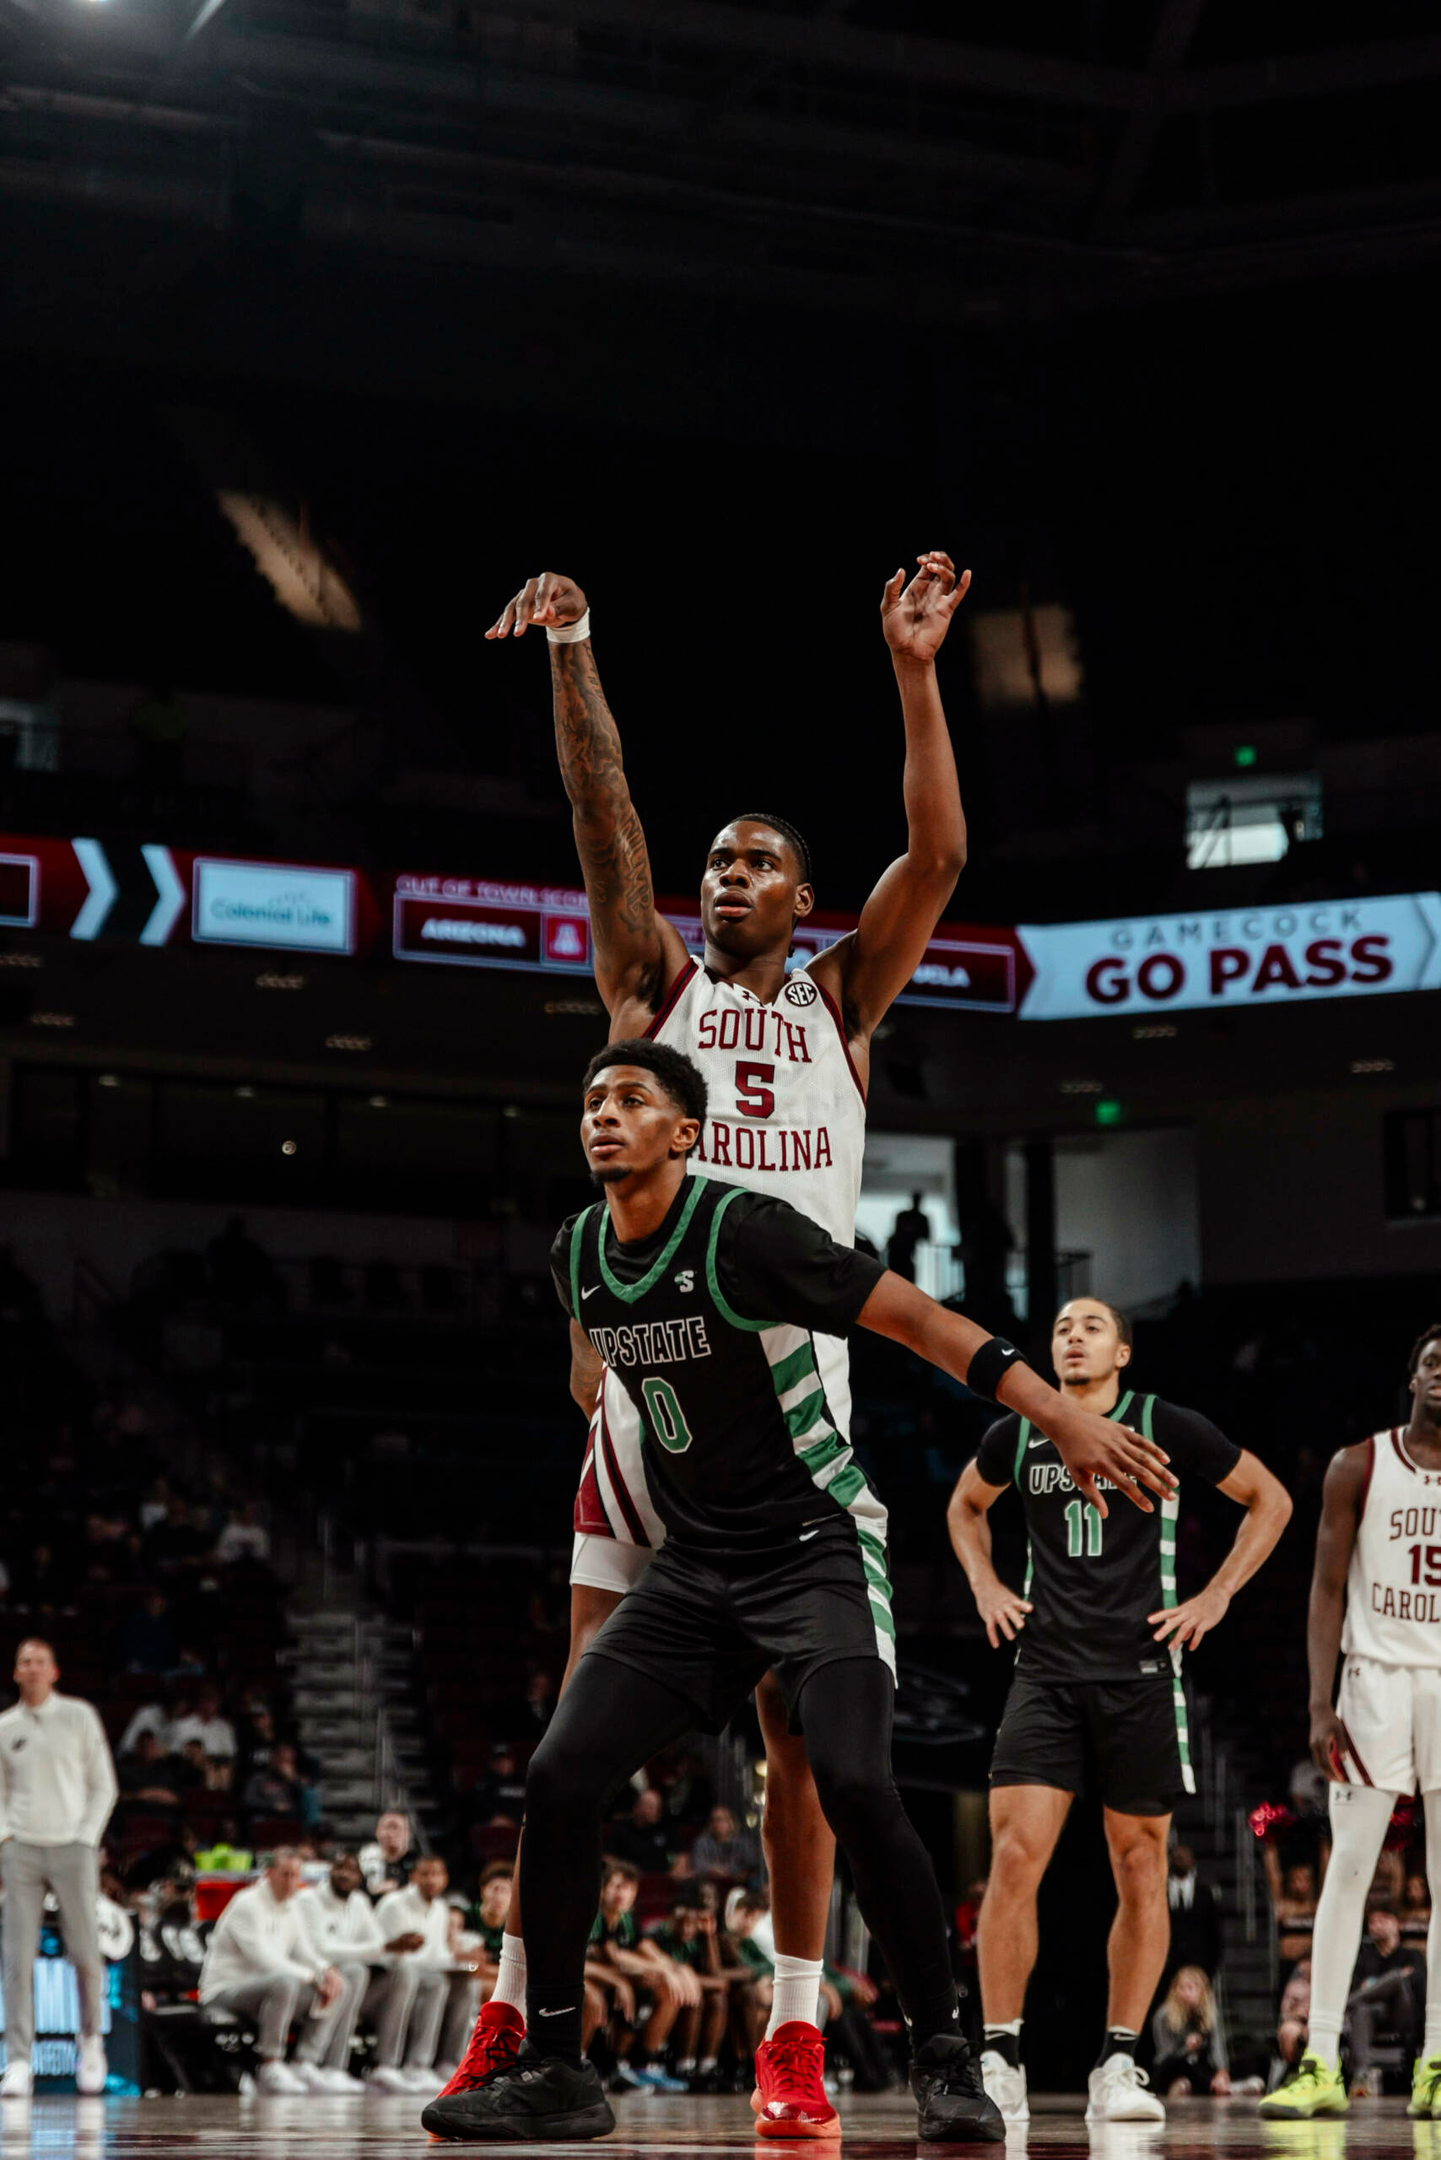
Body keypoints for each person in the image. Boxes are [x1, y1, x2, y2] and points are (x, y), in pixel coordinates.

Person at [448, 548, 976, 2124]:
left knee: (801, 1745)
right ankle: (522, 2018)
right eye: (715, 861)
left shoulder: (844, 1006)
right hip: (646, 1405)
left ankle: (797, 2030)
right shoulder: (647, 992)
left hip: (790, 1406)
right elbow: (600, 815)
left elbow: (937, 854)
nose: (723, 874)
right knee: (574, 1725)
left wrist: (912, 671)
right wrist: (575, 652)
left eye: (755, 861)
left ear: (801, 898)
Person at [421, 1043, 1174, 2142]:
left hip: (814, 1544)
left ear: (686, 1133)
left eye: (631, 1100)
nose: (601, 1115)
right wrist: (598, 1386)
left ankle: (945, 2058)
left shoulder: (744, 1232)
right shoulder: (577, 1249)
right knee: (560, 1772)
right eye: (589, 1100)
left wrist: (1053, 1413)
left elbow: (917, 1318)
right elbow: (590, 1356)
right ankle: (557, 2065)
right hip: (696, 1564)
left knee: (858, 1785)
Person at [947, 1295, 1291, 2125]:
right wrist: (987, 1584)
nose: (1071, 1334)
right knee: (1013, 1855)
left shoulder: (1162, 1423)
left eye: (1091, 1325)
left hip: (1141, 1674)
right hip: (1046, 1670)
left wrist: (1213, 1599)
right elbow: (963, 1508)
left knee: (1140, 1869)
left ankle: (1120, 2061)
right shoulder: (1019, 1427)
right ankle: (999, 2053)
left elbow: (1268, 1499)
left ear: (1123, 1354)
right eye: (1062, 1325)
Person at [1260, 1323, 1441, 2121]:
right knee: (1348, 1869)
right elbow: (1324, 1589)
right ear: (1411, 1373)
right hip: (1371, 1682)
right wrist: (1315, 1699)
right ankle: (1319, 2058)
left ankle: (1436, 2059)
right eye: (1433, 1360)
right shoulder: (1358, 1464)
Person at [0, 1638, 119, 2098]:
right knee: (16, 1956)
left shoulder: (79, 1716)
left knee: (87, 1952)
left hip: (74, 1846)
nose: (31, 1668)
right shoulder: (6, 1727)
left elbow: (103, 1785)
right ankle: (18, 2060)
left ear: (54, 1671)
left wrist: (86, 1837)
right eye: (23, 1661)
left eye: (39, 1661)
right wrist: (6, 1837)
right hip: (22, 1849)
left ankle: (90, 2042)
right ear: (15, 1673)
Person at [197, 1847, 344, 2093]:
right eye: (284, 1875)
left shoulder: (292, 1905)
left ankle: (305, 2063)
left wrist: (326, 1970)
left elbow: (304, 1950)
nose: (290, 1882)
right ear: (269, 1873)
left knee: (340, 1984)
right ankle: (270, 2064)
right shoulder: (246, 1903)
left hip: (269, 1989)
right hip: (224, 1991)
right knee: (285, 1982)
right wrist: (311, 1977)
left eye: (295, 1876)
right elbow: (264, 1959)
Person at [297, 1850, 425, 2092]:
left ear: (360, 1877)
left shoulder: (359, 1902)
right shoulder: (308, 1900)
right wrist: (383, 1947)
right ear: (329, 1871)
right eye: (339, 1868)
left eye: (351, 1870)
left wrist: (397, 1947)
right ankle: (327, 2065)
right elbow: (323, 1949)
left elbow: (378, 1945)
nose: (344, 1874)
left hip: (352, 1987)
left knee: (404, 1971)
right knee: (355, 1972)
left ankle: (386, 2065)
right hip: (314, 1980)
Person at [374, 1853, 479, 2089]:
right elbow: (392, 1957)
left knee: (468, 1984)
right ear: (413, 1876)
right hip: (388, 1979)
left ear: (445, 1879)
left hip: (424, 1975)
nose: (431, 1879)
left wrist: (466, 1965)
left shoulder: (441, 1908)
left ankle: (449, 2062)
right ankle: (402, 2064)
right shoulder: (394, 1904)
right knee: (434, 1981)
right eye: (425, 1874)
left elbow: (437, 1954)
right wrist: (445, 1965)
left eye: (437, 1874)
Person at [1347, 1903, 1425, 2096]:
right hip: (1374, 2016)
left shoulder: (1412, 1955)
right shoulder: (1363, 1959)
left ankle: (1342, 2006)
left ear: (1397, 1924)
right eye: (1373, 1921)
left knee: (1395, 1979)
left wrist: (1375, 1985)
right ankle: (1361, 2076)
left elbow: (1416, 1982)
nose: (1377, 1925)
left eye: (1383, 1920)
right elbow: (1356, 1986)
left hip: (1404, 2013)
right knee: (1361, 2008)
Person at [1151, 1966, 1229, 2097]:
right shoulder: (1164, 2015)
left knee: (1202, 2066)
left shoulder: (1208, 2015)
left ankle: (1208, 2084)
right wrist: (1186, 2048)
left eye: (1191, 1988)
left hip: (1197, 2066)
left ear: (1201, 1992)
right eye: (1181, 1988)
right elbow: (1165, 2053)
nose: (1186, 1993)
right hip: (1172, 2065)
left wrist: (1222, 2070)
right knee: (1184, 2064)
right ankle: (1215, 2086)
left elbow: (1217, 2045)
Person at [1165, 1843, 1223, 1981]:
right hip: (1166, 1968)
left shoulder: (1205, 1893)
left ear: (1192, 1861)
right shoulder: (1160, 1892)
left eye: (1184, 1856)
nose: (1180, 1859)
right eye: (1177, 1856)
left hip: (1199, 1966)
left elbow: (1214, 1933)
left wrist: (1210, 1968)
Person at [603, 1788, 676, 1875]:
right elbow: (609, 1858)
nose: (655, 1810)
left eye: (658, 1807)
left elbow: (680, 1857)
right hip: (630, 1880)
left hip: (660, 1882)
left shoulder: (665, 1829)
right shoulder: (621, 1830)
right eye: (650, 1806)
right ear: (637, 1807)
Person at [689, 1804, 761, 1883]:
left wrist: (730, 1871)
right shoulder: (703, 1842)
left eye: (720, 1820)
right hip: (710, 1882)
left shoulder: (743, 1843)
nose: (716, 1824)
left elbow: (751, 1864)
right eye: (713, 1820)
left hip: (738, 1884)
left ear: (731, 1822)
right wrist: (714, 1870)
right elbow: (698, 1864)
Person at [360, 1809, 416, 1895]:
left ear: (408, 1833)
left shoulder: (417, 1863)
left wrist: (398, 1886)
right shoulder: (363, 1859)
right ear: (377, 1832)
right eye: (387, 1827)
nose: (391, 1833)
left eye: (396, 1827)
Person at [886, 1192, 932, 1284]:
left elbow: (926, 1236)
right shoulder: (906, 1216)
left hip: (904, 1252)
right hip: (899, 1251)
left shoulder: (917, 1218)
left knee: (902, 1277)